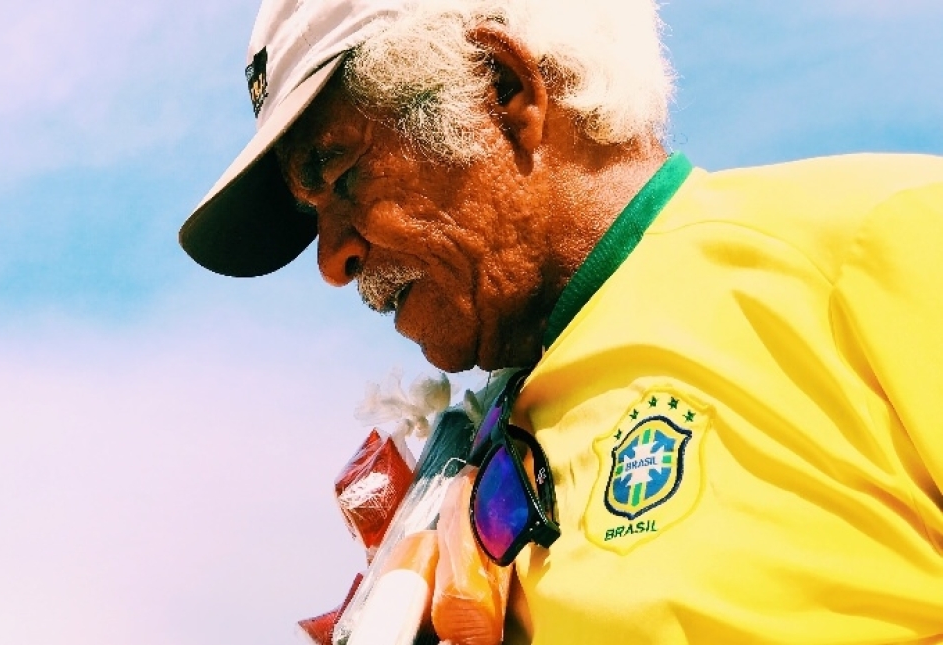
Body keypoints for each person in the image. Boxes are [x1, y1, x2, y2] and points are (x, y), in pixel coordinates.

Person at [178, 0, 943, 642]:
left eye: (340, 175)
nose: (332, 259)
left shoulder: (889, 237)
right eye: (312, 213)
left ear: (502, 90)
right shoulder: (461, 478)